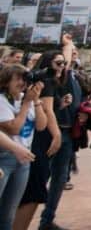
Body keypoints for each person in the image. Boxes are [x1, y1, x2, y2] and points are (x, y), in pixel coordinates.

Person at [18, 35, 81, 230]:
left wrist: (61, 105)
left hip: (61, 135)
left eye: (65, 62)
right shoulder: (46, 81)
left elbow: (49, 110)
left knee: (55, 181)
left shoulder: (60, 81)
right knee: (36, 184)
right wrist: (56, 135)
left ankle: (45, 221)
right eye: (59, 62)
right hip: (45, 137)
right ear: (49, 64)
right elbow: (46, 114)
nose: (63, 65)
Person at [0, 65, 46, 230]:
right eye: (18, 79)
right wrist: (26, 103)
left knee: (8, 213)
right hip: (4, 157)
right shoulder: (2, 100)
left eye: (24, 79)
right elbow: (14, 128)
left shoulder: (25, 98)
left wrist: (36, 100)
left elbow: (41, 126)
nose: (22, 83)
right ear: (6, 82)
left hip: (24, 159)